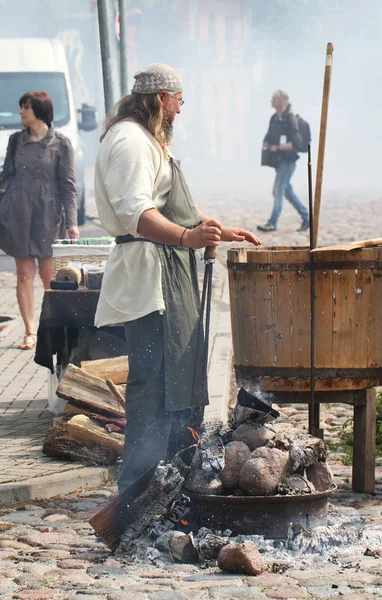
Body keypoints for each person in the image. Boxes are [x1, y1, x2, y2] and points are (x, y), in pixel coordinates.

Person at [94, 63, 260, 493]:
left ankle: (173, 485)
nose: (180, 111)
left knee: (178, 387)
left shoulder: (149, 140)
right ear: (160, 98)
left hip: (169, 278)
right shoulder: (131, 142)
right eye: (179, 101)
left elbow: (168, 204)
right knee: (154, 391)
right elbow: (139, 215)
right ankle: (140, 491)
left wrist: (214, 227)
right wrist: (188, 236)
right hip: (152, 282)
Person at [0, 91, 79, 350]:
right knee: (24, 274)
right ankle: (30, 331)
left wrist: (72, 221)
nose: (21, 112)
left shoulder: (61, 143)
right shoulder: (15, 141)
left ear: (40, 112)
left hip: (47, 216)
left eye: (26, 108)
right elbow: (5, 177)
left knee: (49, 275)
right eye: (21, 107)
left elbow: (68, 186)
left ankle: (54, 327)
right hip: (18, 215)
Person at [258, 90, 309, 233]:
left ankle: (272, 222)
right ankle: (307, 217)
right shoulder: (275, 118)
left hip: (288, 161)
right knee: (287, 192)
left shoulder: (290, 118)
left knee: (277, 190)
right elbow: (270, 136)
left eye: (274, 98)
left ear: (280, 101)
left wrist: (278, 147)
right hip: (279, 162)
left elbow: (296, 143)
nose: (271, 100)